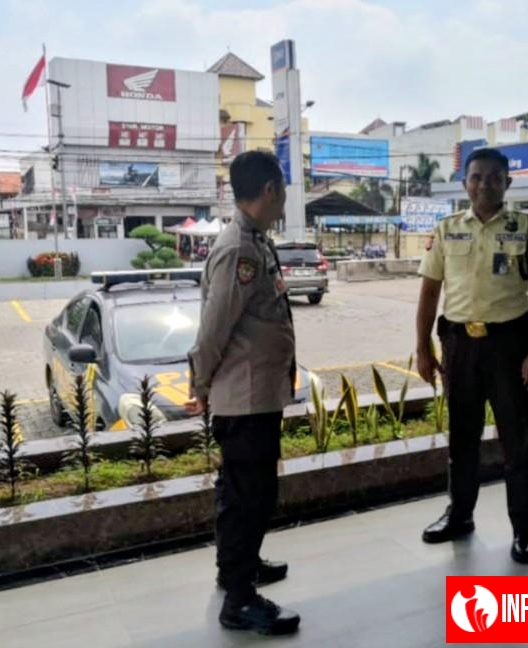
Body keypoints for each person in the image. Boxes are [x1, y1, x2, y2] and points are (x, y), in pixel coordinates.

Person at [415, 148, 528, 564]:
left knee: (517, 444)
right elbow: (429, 291)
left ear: (507, 183)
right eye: (477, 177)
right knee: (462, 440)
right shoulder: (447, 230)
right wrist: (423, 345)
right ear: (465, 182)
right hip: (460, 346)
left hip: (511, 346)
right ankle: (460, 516)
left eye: (494, 177)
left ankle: (524, 531)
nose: (484, 185)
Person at [186, 150, 300, 636]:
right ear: (270, 190)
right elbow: (213, 330)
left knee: (241, 492)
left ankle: (240, 565)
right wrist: (200, 384)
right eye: (283, 189)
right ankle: (239, 601)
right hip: (245, 398)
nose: (285, 198)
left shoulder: (255, 240)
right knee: (250, 495)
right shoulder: (239, 249)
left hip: (258, 394)